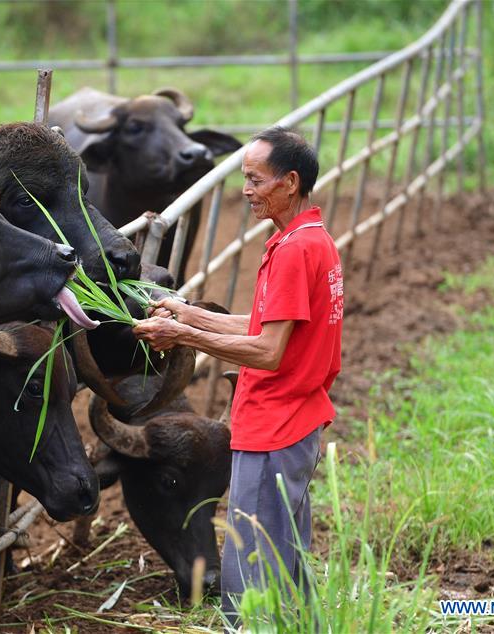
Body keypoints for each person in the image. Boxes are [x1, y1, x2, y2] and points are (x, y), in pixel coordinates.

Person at [132, 126, 343, 628]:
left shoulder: (294, 251)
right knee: (286, 557)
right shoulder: (309, 240)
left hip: (274, 424)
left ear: (289, 182)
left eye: (255, 180)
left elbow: (268, 351)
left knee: (251, 565)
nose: (245, 191)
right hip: (296, 419)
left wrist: (183, 338)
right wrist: (187, 315)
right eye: (245, 179)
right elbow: (267, 327)